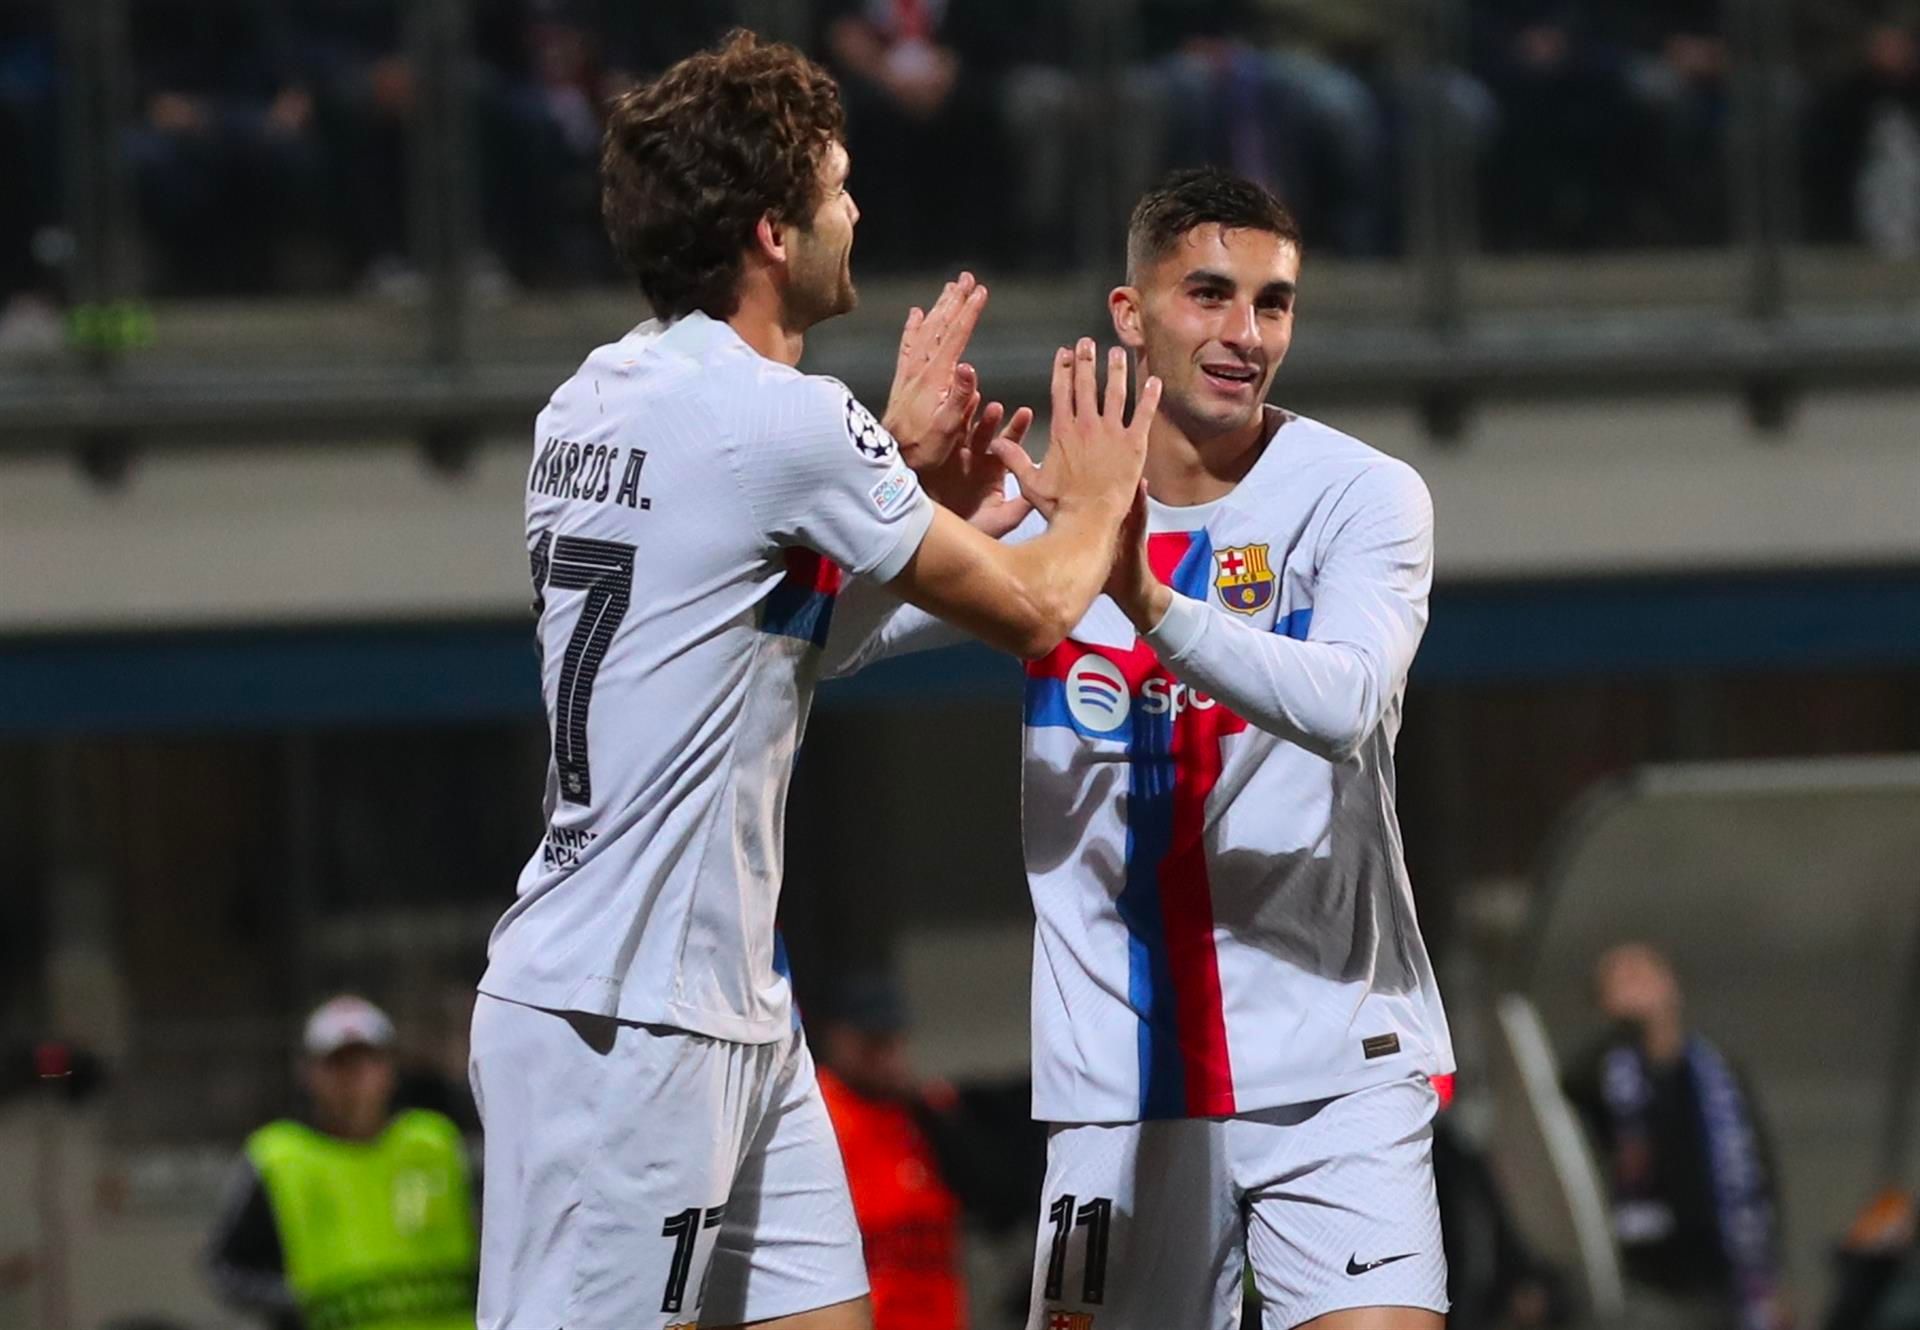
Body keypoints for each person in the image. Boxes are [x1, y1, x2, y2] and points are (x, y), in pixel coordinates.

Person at [466, 29, 1158, 1330]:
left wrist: (886, 482)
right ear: (775, 234)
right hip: (627, 1020)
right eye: (837, 187)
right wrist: (1096, 495)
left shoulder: (592, 399)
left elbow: (762, 640)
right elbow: (1037, 607)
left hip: (724, 1003)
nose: (857, 210)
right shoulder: (785, 421)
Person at [826, 165, 1455, 1329]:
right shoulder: (1054, 505)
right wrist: (921, 509)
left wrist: (1144, 596)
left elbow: (1348, 700)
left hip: (1335, 1064)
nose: (1246, 332)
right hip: (1118, 1083)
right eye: (1209, 294)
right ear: (1132, 315)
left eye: (1273, 303)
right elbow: (814, 649)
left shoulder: (1363, 496)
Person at [204, 995, 478, 1330]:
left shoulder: (437, 1144)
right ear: (308, 1073)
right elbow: (226, 1268)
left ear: (390, 1069)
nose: (354, 1078)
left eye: (366, 1061)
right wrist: (297, 1299)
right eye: (338, 1064)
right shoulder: (278, 1158)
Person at [1565, 942, 1790, 1330]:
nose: (1635, 989)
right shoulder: (1602, 1077)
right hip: (1647, 1279)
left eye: (1643, 974)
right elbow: (1571, 1089)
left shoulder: (1717, 1074)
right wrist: (1624, 1032)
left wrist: (1774, 1276)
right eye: (1620, 981)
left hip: (1727, 1273)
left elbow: (1759, 1170)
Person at [814, 975, 968, 1330]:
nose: (886, 1056)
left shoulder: (923, 1114)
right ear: (838, 1038)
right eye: (872, 1043)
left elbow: (992, 1196)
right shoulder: (814, 1116)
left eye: (892, 1041)